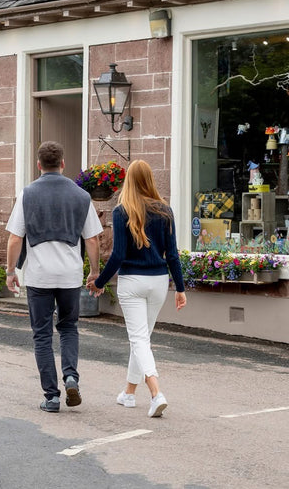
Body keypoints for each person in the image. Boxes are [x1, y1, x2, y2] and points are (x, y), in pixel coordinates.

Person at [6, 141, 103, 413]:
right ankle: (71, 376)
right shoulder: (82, 196)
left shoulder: (27, 194)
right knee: (69, 327)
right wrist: (94, 272)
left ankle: (52, 397)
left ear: (39, 165)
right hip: (70, 275)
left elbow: (15, 238)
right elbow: (92, 240)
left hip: (39, 276)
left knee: (42, 335)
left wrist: (11, 271)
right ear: (63, 163)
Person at [88, 159, 186, 418]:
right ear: (150, 180)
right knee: (141, 338)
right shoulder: (165, 211)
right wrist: (180, 288)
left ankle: (156, 393)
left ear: (129, 181)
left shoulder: (122, 211)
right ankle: (129, 393)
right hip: (158, 281)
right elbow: (172, 254)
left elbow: (118, 254)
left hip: (132, 281)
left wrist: (100, 282)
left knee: (139, 339)